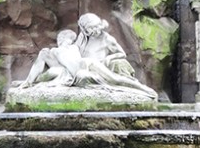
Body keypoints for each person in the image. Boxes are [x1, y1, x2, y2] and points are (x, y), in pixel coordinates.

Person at [16, 28, 157, 99]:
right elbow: (85, 36)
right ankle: (144, 90)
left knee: (114, 80)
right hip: (86, 64)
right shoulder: (73, 47)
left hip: (79, 71)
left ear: (62, 38)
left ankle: (144, 90)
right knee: (115, 79)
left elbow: (38, 67)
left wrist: (28, 82)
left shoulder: (52, 52)